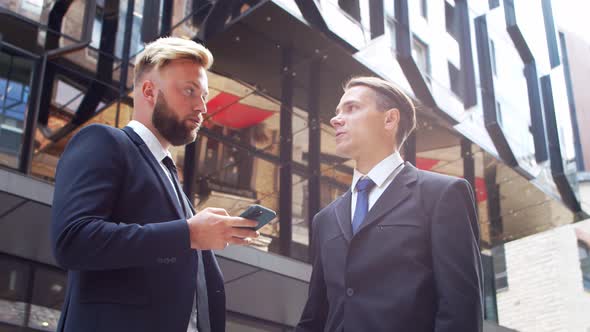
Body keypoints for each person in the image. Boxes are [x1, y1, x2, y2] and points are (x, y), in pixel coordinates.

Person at [50, 37, 259, 332]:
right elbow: (72, 240)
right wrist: (189, 233)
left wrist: (205, 234)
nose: (202, 107)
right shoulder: (105, 142)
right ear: (149, 91)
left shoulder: (172, 178)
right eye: (190, 91)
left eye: (204, 96)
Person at [295, 76, 483, 332]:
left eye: (351, 108)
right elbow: (314, 317)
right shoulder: (325, 219)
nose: (336, 119)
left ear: (389, 119)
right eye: (337, 112)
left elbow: (460, 309)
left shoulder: (442, 194)